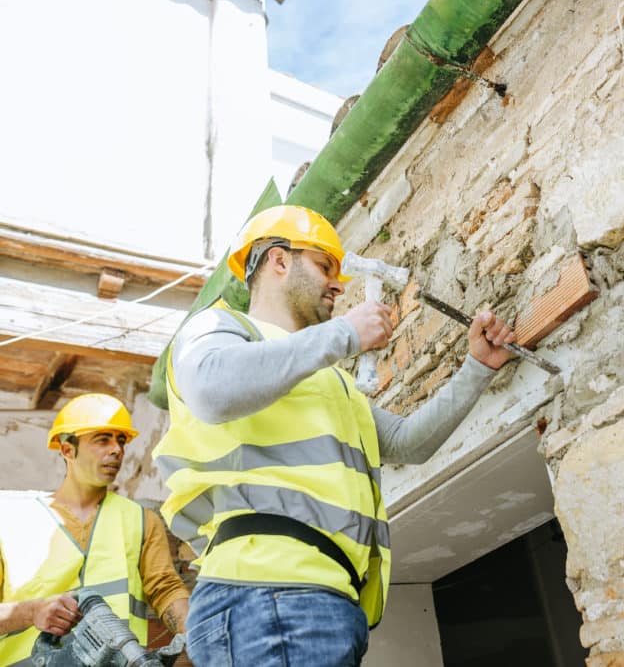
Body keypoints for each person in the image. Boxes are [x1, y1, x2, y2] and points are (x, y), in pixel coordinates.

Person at [152, 205, 517, 666]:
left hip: (316, 598)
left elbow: (409, 443)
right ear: (279, 261)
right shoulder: (221, 328)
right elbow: (211, 390)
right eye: (325, 265)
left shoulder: (330, 378)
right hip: (269, 591)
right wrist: (345, 333)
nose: (338, 284)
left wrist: (477, 368)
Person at [0, 394, 190, 665]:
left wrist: (198, 636)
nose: (116, 450)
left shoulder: (140, 520)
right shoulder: (12, 521)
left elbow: (166, 588)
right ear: (67, 450)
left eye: (121, 441)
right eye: (102, 439)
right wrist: (32, 612)